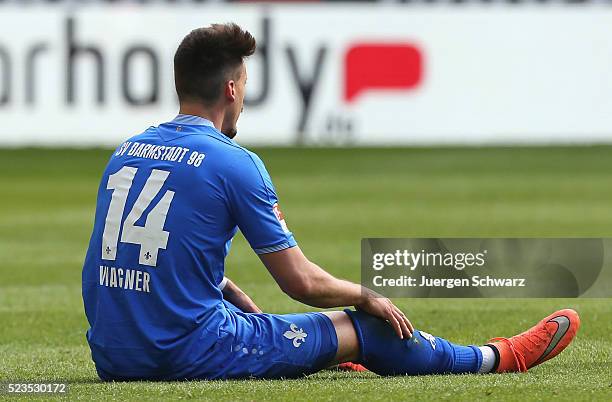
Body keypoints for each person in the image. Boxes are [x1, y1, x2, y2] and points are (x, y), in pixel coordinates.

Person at [82, 23, 580, 381]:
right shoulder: (234, 162)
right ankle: (497, 358)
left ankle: (309, 349)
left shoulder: (126, 152)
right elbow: (301, 282)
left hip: (112, 356)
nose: (244, 98)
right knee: (370, 328)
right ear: (232, 89)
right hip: (183, 355)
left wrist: (225, 291)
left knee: (265, 319)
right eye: (246, 87)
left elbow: (124, 260)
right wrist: (365, 296)